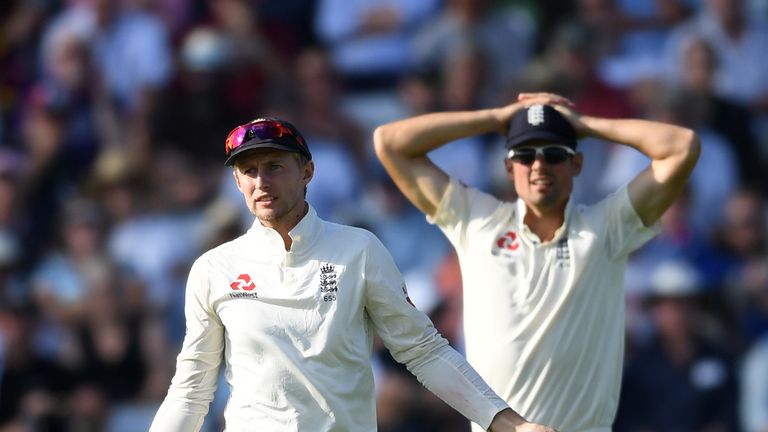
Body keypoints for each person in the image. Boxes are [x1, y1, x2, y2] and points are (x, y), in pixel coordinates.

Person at [148, 117, 555, 431]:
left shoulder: (358, 249)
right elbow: (192, 387)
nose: (262, 181)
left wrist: (506, 421)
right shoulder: (214, 268)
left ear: (306, 171)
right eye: (249, 171)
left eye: (274, 166)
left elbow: (423, 351)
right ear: (236, 182)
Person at [373, 92, 700, 431]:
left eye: (555, 154)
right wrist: (498, 117)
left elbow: (682, 145)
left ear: (577, 164)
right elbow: (389, 142)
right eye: (525, 155)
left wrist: (583, 124)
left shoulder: (607, 227)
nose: (539, 166)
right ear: (508, 166)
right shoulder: (476, 221)